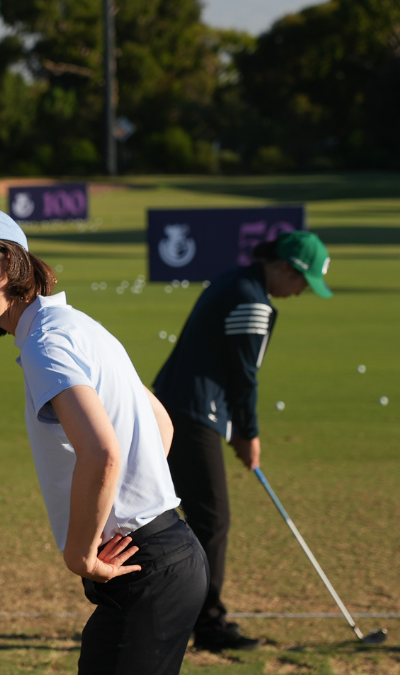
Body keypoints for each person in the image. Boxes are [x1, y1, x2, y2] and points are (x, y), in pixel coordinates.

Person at [0, 208, 208, 675]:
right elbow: (160, 426)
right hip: (167, 553)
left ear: (11, 259)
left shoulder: (45, 344)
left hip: (143, 566)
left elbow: (104, 452)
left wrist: (81, 552)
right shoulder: (77, 325)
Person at [152, 230, 333, 652]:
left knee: (183, 515)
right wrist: (248, 434)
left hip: (178, 406)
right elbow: (243, 377)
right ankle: (209, 627)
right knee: (210, 520)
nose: (301, 292)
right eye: (303, 283)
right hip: (192, 414)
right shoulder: (252, 301)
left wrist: (233, 430)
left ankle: (175, 613)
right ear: (286, 269)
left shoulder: (237, 279)